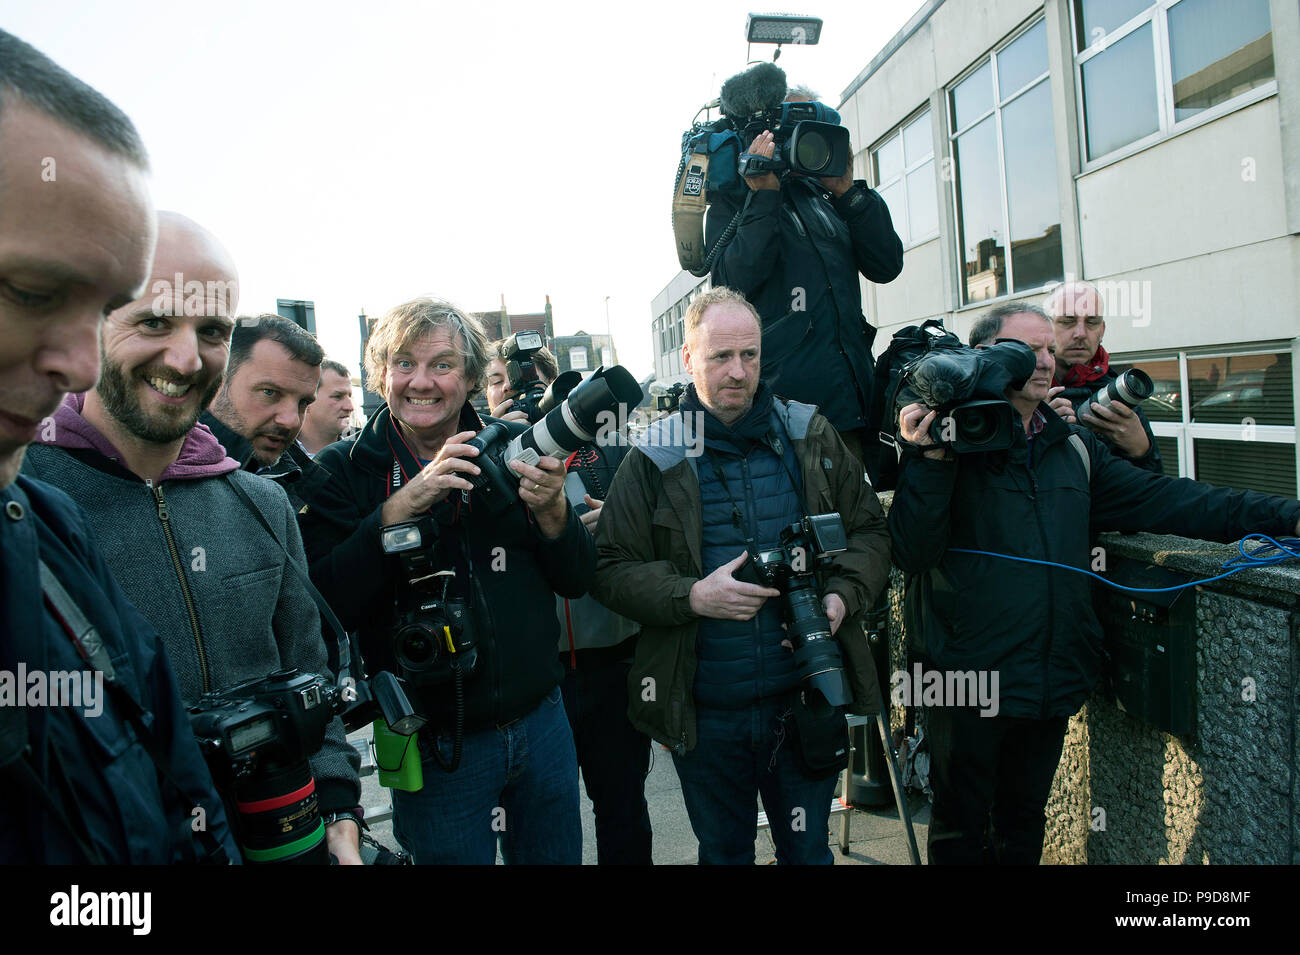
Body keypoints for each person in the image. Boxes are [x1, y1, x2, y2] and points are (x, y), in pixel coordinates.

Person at [890, 304, 1300, 865]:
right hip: (965, 678)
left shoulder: (1074, 449)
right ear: (980, 358)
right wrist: (930, 459)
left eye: (1047, 350)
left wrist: (1288, 516)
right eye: (1024, 349)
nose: (1042, 362)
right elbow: (911, 549)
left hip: (1049, 675)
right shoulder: (949, 443)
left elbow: (1178, 502)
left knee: (1022, 822)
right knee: (959, 829)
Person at [22, 211, 363, 864]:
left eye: (210, 330)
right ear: (92, 324)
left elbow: (312, 686)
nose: (185, 356)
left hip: (283, 843)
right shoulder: (24, 500)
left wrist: (342, 815)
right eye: (154, 320)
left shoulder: (262, 502)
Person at [0, 28, 237, 863]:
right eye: (31, 291)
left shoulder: (43, 527)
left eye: (96, 306)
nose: (76, 361)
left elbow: (173, 791)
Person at [593, 287, 892, 865]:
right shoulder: (654, 455)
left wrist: (841, 596)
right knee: (725, 852)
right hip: (705, 715)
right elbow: (609, 569)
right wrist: (693, 595)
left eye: (749, 356)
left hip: (804, 699)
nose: (737, 372)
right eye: (720, 356)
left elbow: (872, 534)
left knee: (808, 853)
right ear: (687, 359)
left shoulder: (810, 434)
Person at [298, 298, 593, 865]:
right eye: (404, 364)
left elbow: (577, 578)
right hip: (434, 747)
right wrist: (399, 509)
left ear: (474, 377)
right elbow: (327, 608)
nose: (421, 382)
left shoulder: (517, 445)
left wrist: (555, 511)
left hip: (542, 724)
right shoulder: (341, 470)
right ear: (379, 374)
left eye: (442, 364)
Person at [485, 339, 653, 865]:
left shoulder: (610, 444)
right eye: (497, 381)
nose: (512, 389)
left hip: (613, 663)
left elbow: (661, 534)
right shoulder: (482, 453)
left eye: (527, 378)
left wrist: (619, 522)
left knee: (622, 807)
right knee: (537, 823)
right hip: (533, 679)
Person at [705, 72, 903, 469]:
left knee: (860, 523)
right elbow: (733, 286)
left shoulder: (827, 199)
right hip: (788, 418)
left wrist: (849, 192)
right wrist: (763, 196)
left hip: (854, 405)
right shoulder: (735, 202)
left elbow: (886, 265)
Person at [203, 312, 331, 511]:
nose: (291, 421)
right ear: (217, 381)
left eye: (303, 403)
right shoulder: (157, 472)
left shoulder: (304, 482)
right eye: (269, 393)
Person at [1042, 281, 1162, 473]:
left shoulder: (1119, 395)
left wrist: (1141, 451)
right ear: (1046, 328)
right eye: (1067, 321)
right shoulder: (1023, 389)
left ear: (1102, 331)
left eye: (1091, 322)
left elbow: (1151, 490)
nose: (1080, 334)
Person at [299, 359, 355, 457]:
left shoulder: (365, 450)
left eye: (349, 396)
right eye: (337, 396)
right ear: (307, 399)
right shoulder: (273, 453)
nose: (350, 407)